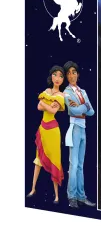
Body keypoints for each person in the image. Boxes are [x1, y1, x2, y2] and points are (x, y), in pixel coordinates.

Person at [27, 66, 65, 204]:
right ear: (51, 76)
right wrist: (46, 104)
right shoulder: (47, 91)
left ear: (63, 79)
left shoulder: (61, 95)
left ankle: (56, 196)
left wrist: (44, 102)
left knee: (55, 159)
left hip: (53, 131)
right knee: (38, 159)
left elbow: (52, 111)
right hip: (43, 129)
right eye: (55, 74)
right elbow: (39, 107)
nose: (58, 78)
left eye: (61, 76)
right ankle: (33, 189)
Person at [63, 61, 96, 209]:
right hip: (74, 128)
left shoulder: (83, 92)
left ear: (78, 74)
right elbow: (73, 111)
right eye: (68, 73)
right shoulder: (66, 92)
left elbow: (92, 111)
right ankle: (72, 197)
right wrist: (84, 107)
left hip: (83, 129)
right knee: (74, 164)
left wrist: (81, 107)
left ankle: (81, 196)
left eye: (74, 72)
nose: (71, 76)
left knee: (81, 165)